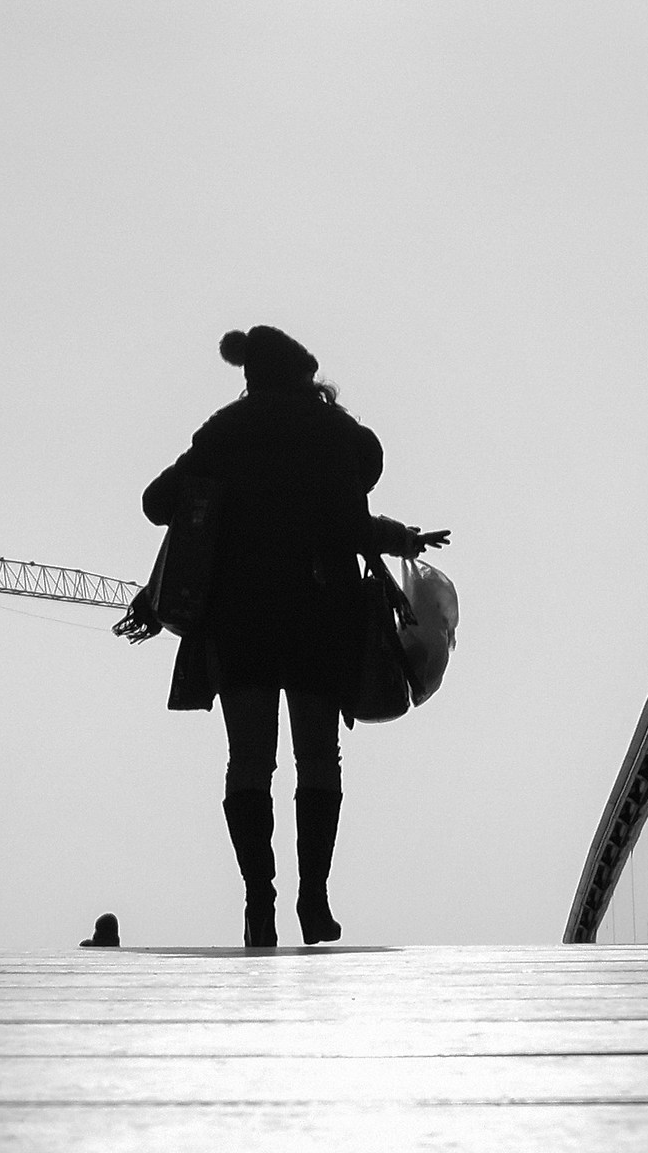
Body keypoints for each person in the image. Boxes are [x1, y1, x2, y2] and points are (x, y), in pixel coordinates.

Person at [144, 327, 448, 947]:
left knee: (250, 762)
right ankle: (315, 898)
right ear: (303, 373)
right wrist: (399, 537)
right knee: (318, 758)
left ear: (251, 376)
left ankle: (260, 902)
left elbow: (157, 503)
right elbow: (352, 518)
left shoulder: (225, 432)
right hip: (319, 614)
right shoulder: (335, 434)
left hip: (241, 619)